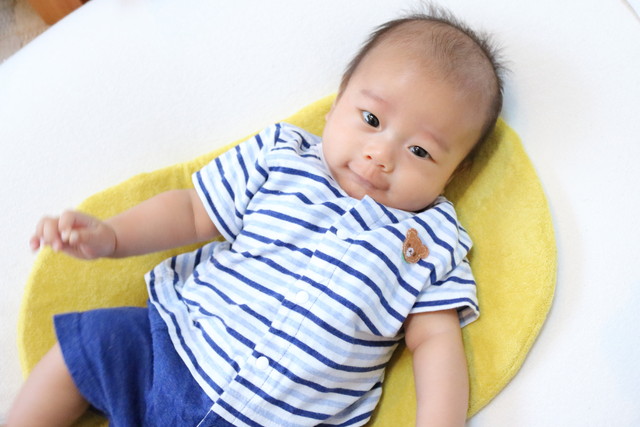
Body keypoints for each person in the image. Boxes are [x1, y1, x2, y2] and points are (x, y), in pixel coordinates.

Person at [8, 7, 504, 427]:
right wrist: (112, 236)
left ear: (454, 172)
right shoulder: (283, 156)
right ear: (335, 105)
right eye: (371, 120)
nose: (380, 156)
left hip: (281, 417)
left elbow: (435, 339)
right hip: (174, 348)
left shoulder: (434, 240)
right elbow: (193, 211)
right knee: (92, 346)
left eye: (420, 151)